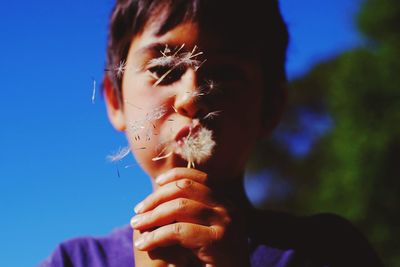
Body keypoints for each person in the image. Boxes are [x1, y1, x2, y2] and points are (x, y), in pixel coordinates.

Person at [39, 0, 383, 266]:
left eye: (226, 74)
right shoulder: (74, 261)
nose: (192, 96)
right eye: (163, 70)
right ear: (115, 101)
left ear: (271, 105)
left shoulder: (327, 251)